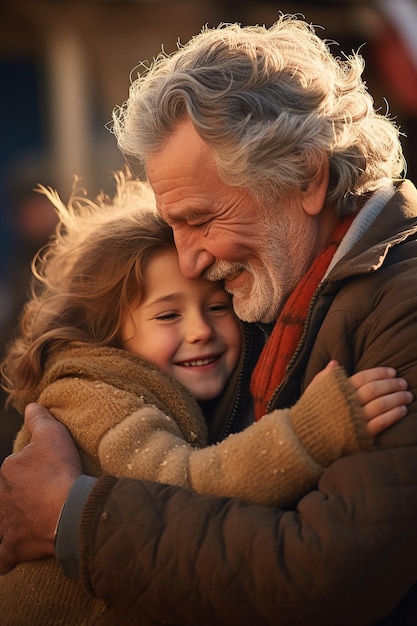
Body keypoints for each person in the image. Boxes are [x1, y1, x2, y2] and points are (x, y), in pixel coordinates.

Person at [1, 14, 417, 626]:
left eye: (202, 218)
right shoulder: (276, 289)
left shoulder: (400, 304)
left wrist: (71, 516)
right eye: (175, 226)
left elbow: (320, 577)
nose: (191, 260)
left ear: (307, 176)